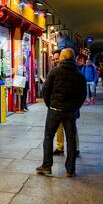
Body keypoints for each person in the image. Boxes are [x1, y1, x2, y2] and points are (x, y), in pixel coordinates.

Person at [36, 48, 86, 177]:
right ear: (73, 59)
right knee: (71, 140)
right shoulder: (80, 75)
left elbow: (45, 90)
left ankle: (47, 166)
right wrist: (75, 107)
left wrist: (50, 105)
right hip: (70, 112)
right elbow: (83, 95)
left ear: (62, 58)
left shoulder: (54, 72)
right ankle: (70, 169)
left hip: (55, 110)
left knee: (48, 137)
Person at [52, 50, 80, 157]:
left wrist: (76, 105)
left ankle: (75, 148)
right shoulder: (54, 71)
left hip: (70, 106)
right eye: (53, 59)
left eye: (57, 58)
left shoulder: (73, 71)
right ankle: (60, 147)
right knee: (58, 127)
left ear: (63, 57)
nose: (55, 61)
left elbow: (80, 91)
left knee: (72, 128)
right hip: (57, 105)